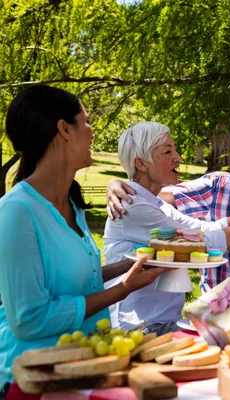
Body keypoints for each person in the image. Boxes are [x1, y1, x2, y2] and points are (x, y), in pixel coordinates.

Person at [0, 86, 167, 394]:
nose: (92, 132)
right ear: (64, 129)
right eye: (86, 121)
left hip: (84, 371)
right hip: (37, 380)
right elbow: (29, 319)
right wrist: (122, 290)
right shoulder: (16, 211)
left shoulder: (72, 203)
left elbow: (76, 280)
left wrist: (132, 264)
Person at [103, 122, 230, 333]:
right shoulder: (134, 205)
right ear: (141, 163)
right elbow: (203, 243)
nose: (178, 157)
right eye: (168, 151)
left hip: (160, 322)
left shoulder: (156, 204)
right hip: (136, 327)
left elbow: (204, 229)